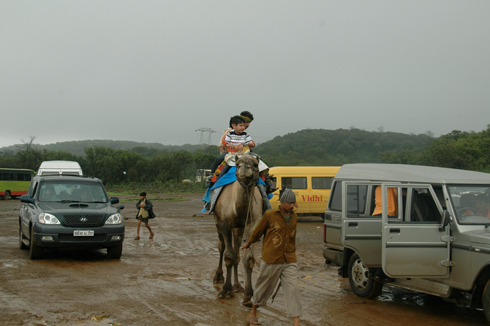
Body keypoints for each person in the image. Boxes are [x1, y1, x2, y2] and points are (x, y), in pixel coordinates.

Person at [241, 188, 301, 326]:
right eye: (289, 203)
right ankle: (252, 313)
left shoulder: (294, 217)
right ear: (283, 202)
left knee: (294, 290)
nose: (292, 206)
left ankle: (296, 323)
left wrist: (292, 253)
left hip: (289, 259)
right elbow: (258, 231)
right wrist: (249, 243)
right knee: (263, 287)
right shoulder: (270, 215)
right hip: (271, 259)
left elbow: (293, 237)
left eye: (293, 203)